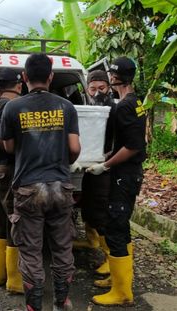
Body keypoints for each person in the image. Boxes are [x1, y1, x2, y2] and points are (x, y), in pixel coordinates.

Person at [0, 53, 81, 311]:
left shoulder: (13, 108)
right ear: (50, 77)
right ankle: (60, 306)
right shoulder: (66, 107)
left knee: (31, 252)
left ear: (24, 77)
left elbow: (9, 147)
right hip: (60, 187)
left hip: (28, 189)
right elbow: (74, 149)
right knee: (62, 248)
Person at [86, 57, 146, 306]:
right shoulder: (135, 102)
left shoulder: (124, 106)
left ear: (115, 77)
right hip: (127, 173)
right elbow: (126, 143)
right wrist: (107, 157)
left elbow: (133, 146)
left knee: (116, 228)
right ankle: (118, 280)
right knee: (120, 227)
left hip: (124, 175)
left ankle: (123, 292)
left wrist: (105, 165)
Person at [75, 70, 115, 288]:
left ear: (108, 87)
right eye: (93, 89)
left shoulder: (114, 110)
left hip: (106, 169)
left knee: (101, 213)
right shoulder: (87, 109)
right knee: (89, 208)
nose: (97, 93)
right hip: (89, 168)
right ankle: (92, 242)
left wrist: (106, 160)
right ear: (86, 89)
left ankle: (110, 259)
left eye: (102, 88)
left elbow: (121, 143)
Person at [0, 68, 24, 294]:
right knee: (14, 221)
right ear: (19, 85)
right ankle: (15, 280)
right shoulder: (11, 106)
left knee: (2, 220)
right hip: (8, 168)